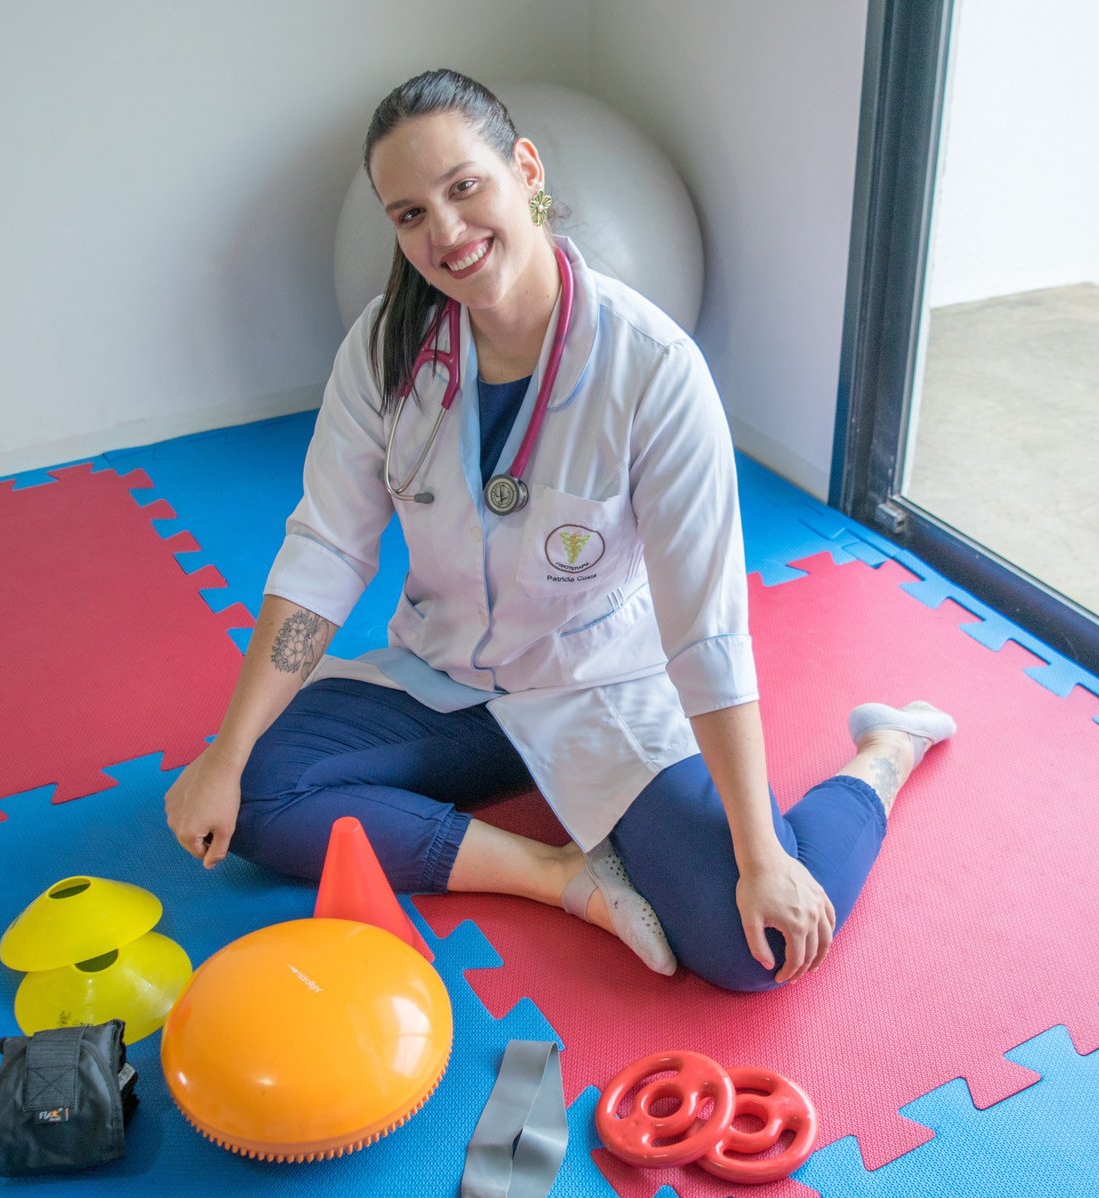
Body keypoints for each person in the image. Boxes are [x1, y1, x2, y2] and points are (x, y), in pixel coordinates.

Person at [163, 68, 954, 991]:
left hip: (596, 688)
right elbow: (328, 551)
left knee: (756, 948)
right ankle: (557, 873)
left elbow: (706, 624)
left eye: (464, 188)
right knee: (249, 795)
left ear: (525, 169)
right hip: (446, 676)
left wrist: (757, 855)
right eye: (410, 214)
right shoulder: (384, 347)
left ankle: (887, 752)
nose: (446, 234)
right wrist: (225, 751)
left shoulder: (654, 367)